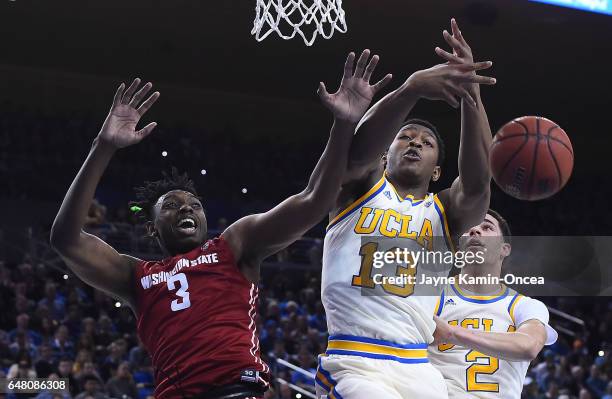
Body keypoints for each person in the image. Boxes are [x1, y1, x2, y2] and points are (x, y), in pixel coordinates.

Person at [50, 50, 391, 399]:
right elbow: (66, 240)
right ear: (151, 229)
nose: (187, 209)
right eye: (172, 205)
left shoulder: (234, 245)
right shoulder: (135, 276)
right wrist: (103, 146)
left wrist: (344, 123)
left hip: (238, 391)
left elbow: (314, 200)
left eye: (195, 205)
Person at [317, 19, 495, 398]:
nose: (414, 143)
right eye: (405, 137)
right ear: (386, 154)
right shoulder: (356, 189)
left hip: (418, 367)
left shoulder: (445, 212)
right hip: (356, 361)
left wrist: (470, 94)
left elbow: (479, 183)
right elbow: (357, 152)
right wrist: (411, 88)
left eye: (426, 142)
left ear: (437, 171)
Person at [429, 210, 558, 398]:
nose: (475, 231)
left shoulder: (524, 306)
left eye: (487, 227)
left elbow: (529, 345)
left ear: (504, 249)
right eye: (468, 229)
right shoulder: (431, 294)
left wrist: (452, 333)